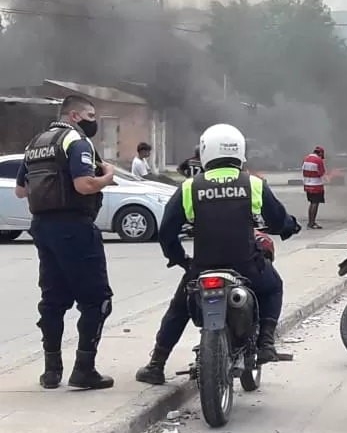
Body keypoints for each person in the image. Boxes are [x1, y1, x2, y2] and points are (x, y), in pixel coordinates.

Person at [137, 124, 301, 381]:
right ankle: (266, 343)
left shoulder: (190, 187)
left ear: (205, 152)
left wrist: (180, 260)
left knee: (179, 309)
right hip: (246, 267)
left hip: (203, 267)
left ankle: (156, 364)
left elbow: (167, 232)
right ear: (240, 152)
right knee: (273, 287)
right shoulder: (254, 184)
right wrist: (290, 226)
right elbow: (279, 221)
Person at [14, 95, 117, 389]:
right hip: (74, 226)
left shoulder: (36, 143)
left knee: (53, 299)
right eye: (90, 114)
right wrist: (107, 177)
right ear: (74, 115)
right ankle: (84, 370)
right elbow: (83, 185)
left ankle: (51, 371)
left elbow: (21, 191)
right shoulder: (75, 141)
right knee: (97, 300)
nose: (93, 120)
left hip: (42, 228)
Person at [302, 146, 326, 229]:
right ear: (320, 153)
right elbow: (321, 173)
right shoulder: (318, 160)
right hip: (316, 185)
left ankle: (310, 222)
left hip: (307, 185)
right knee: (315, 203)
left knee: (312, 203)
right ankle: (311, 223)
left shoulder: (305, 158)